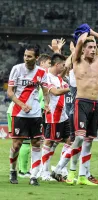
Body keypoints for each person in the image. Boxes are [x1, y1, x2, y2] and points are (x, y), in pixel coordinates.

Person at [66, 25, 98, 186]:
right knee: (79, 137)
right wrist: (85, 35)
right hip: (81, 102)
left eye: (95, 47)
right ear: (83, 49)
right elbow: (79, 42)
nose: (93, 50)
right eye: (90, 47)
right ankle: (72, 171)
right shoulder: (77, 60)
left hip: (95, 104)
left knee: (89, 141)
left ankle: (82, 176)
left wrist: (92, 33)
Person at [7, 44, 49, 186]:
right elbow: (10, 92)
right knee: (17, 145)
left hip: (36, 114)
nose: (26, 58)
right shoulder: (17, 69)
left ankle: (34, 176)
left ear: (36, 58)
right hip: (19, 113)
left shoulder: (41, 72)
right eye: (25, 55)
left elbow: (46, 90)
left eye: (29, 56)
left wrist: (47, 104)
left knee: (36, 143)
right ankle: (13, 170)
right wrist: (22, 105)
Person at [40, 53, 71, 181]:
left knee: (70, 140)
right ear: (57, 65)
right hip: (53, 115)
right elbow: (56, 92)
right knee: (49, 141)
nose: (65, 67)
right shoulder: (47, 77)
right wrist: (72, 89)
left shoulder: (59, 78)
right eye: (63, 65)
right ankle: (44, 172)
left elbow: (62, 88)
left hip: (63, 115)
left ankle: (60, 168)